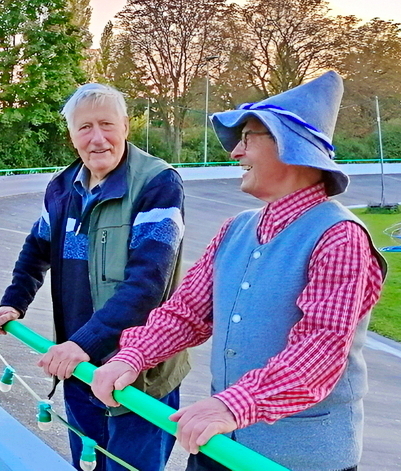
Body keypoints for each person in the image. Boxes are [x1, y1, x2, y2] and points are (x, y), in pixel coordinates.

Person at [92, 71, 386, 471]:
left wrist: (232, 405)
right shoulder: (236, 228)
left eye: (247, 139)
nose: (236, 153)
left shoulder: (340, 236)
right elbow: (186, 313)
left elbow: (318, 351)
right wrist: (132, 356)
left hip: (300, 459)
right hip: (220, 444)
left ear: (289, 146)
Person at [0, 83, 189, 471]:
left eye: (107, 125)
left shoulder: (158, 184)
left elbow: (149, 283)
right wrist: (14, 300)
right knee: (87, 465)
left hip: (137, 376)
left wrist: (84, 343)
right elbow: (36, 249)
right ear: (71, 135)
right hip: (80, 370)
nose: (97, 138)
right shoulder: (63, 188)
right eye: (85, 128)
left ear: (126, 126)